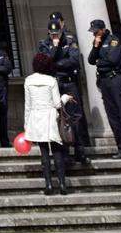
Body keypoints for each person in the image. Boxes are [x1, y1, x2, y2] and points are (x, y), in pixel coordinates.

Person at [38, 17, 90, 165]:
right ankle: (65, 154)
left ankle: (80, 151)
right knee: (59, 119)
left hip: (69, 83)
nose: (55, 37)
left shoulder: (69, 42)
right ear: (49, 33)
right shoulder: (44, 44)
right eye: (53, 34)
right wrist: (54, 49)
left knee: (76, 117)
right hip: (55, 85)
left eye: (57, 34)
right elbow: (46, 63)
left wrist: (56, 63)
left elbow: (74, 61)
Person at [87, 19, 121, 160]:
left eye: (96, 32)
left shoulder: (114, 40)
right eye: (93, 33)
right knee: (113, 117)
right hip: (104, 81)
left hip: (115, 79)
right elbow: (91, 60)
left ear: (103, 29)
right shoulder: (98, 43)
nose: (95, 35)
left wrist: (100, 62)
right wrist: (96, 47)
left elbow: (113, 60)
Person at [23, 51, 71, 196]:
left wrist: (26, 124)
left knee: (44, 153)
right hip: (50, 117)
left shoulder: (28, 80)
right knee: (57, 152)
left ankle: (48, 184)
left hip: (36, 118)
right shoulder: (51, 80)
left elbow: (28, 105)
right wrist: (65, 97)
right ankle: (62, 184)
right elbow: (57, 104)